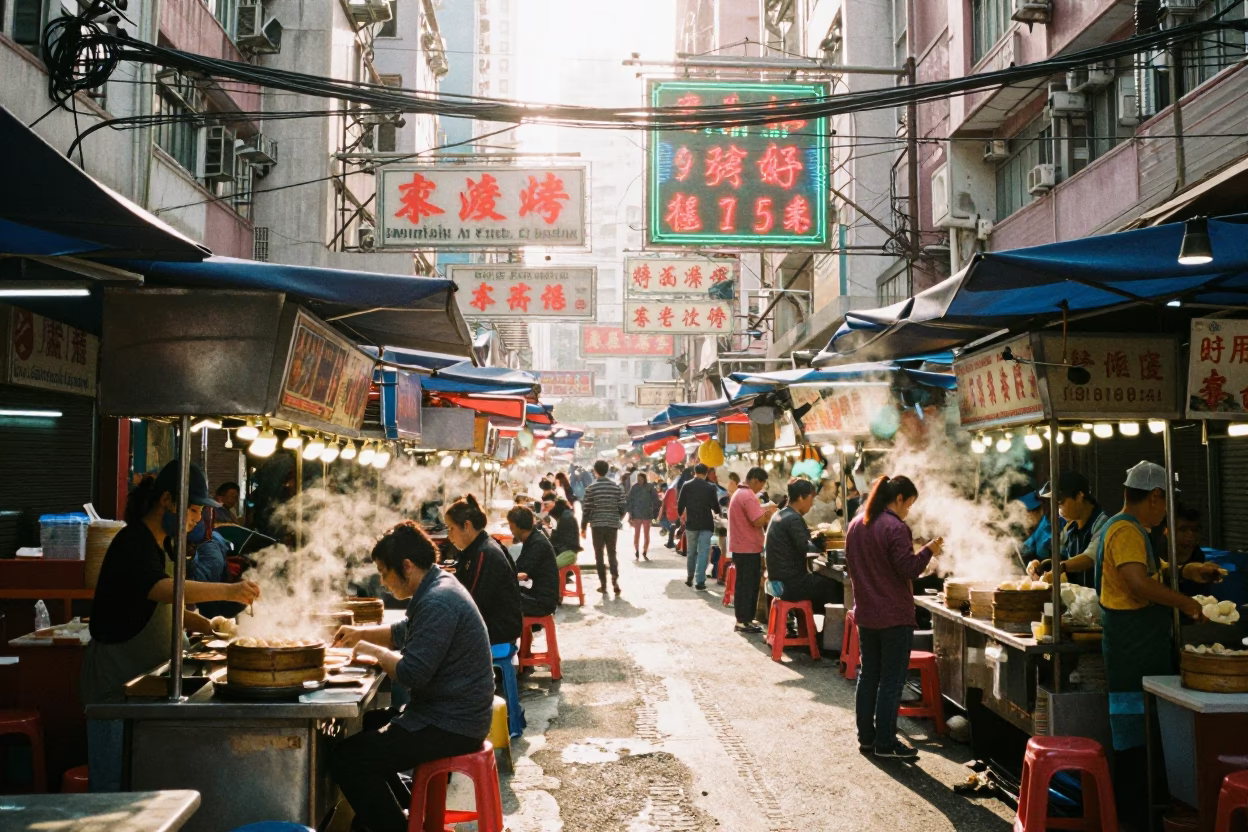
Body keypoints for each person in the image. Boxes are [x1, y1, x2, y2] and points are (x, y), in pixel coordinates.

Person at [82, 460, 261, 791]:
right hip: (118, 684)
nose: (196, 518)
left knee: (145, 786)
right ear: (167, 500)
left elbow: (164, 606)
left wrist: (209, 626)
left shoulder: (162, 543)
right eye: (192, 509)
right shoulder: (133, 542)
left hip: (150, 680)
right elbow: (162, 589)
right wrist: (230, 591)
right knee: (113, 788)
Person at [329, 521, 494, 832]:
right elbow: (401, 633)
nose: (382, 581)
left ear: (406, 566)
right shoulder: (436, 584)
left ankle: (394, 826)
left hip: (452, 724)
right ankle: (407, 812)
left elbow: (411, 674)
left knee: (347, 759)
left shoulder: (437, 600)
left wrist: (373, 651)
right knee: (370, 725)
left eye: (384, 572)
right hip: (450, 714)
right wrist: (358, 633)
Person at [1095, 461, 1223, 826]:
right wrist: (1185, 601)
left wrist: (1186, 571)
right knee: (1137, 746)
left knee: (1145, 741)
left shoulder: (1126, 529)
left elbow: (1148, 570)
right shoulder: (1126, 530)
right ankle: (1136, 822)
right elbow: (1137, 582)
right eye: (1166, 502)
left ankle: (1142, 816)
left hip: (1137, 651)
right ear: (1154, 497)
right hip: (1133, 652)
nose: (1167, 512)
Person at [845, 475, 942, 760]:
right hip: (894, 616)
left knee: (869, 675)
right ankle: (886, 743)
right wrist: (929, 551)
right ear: (899, 498)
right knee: (891, 681)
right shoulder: (896, 527)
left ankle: (867, 739)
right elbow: (909, 569)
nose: (908, 510)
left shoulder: (856, 524)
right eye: (909, 504)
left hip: (866, 614)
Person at [443, 494, 523, 646]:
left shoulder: (484, 553)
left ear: (466, 526)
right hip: (492, 623)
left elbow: (473, 602)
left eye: (451, 528)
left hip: (499, 629)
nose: (449, 535)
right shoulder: (478, 548)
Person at [765, 478, 838, 633]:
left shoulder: (781, 514)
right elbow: (806, 548)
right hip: (790, 584)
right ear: (800, 497)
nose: (812, 504)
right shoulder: (793, 518)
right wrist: (818, 544)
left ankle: (811, 633)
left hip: (777, 579)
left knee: (823, 584)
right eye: (811, 499)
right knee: (835, 588)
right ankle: (827, 640)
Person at [1029, 471, 1109, 588]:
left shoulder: (1103, 524)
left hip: (1097, 601)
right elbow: (1063, 558)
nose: (1058, 509)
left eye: (1061, 502)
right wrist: (1040, 566)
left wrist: (1060, 567)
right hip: (1079, 601)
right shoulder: (1070, 528)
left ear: (1079, 496)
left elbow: (1090, 557)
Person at [728, 466, 778, 634]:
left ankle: (744, 620)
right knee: (748, 586)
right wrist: (769, 514)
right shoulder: (747, 495)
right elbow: (757, 521)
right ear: (755, 480)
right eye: (761, 485)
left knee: (744, 585)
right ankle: (743, 620)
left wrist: (764, 509)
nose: (760, 489)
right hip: (747, 548)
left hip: (742, 547)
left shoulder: (740, 493)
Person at [187, 511, 247, 621]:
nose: (197, 518)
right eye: (194, 510)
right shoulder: (210, 547)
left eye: (200, 512)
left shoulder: (211, 549)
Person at [582, 459, 627, 596]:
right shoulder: (616, 487)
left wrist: (583, 527)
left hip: (597, 525)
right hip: (612, 525)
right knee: (612, 553)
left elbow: (587, 509)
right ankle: (615, 579)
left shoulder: (591, 488)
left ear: (595, 471)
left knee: (599, 554)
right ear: (607, 470)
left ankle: (603, 584)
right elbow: (623, 506)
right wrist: (617, 518)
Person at [507, 506, 560, 618]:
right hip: (537, 593)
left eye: (511, 526)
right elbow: (519, 568)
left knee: (502, 598)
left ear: (518, 526)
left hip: (543, 602)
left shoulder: (537, 543)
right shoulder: (532, 538)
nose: (510, 530)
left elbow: (521, 573)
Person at [678, 464, 721, 590]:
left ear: (694, 472)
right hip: (706, 523)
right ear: (706, 473)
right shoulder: (710, 487)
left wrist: (681, 514)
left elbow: (680, 504)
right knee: (703, 552)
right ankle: (700, 581)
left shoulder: (687, 485)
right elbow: (715, 507)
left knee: (691, 551)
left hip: (691, 523)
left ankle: (690, 576)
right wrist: (717, 511)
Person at [627, 472, 660, 561]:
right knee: (636, 534)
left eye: (641, 479)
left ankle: (645, 551)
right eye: (638, 479)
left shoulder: (650, 487)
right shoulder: (634, 488)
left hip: (647, 515)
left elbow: (655, 500)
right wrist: (630, 514)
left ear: (644, 479)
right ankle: (637, 550)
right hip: (636, 514)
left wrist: (654, 511)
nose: (639, 481)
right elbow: (629, 500)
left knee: (646, 534)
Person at [1017, 491, 1054, 564]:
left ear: (1039, 511)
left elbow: (1042, 554)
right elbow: (1028, 544)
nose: (1025, 516)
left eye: (1028, 512)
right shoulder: (1039, 526)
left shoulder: (1047, 527)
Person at [662, 481, 681, 549]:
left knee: (673, 527)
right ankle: (671, 542)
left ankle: (670, 542)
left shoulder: (671, 490)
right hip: (675, 512)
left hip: (672, 511)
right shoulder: (673, 490)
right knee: (674, 527)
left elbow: (665, 500)